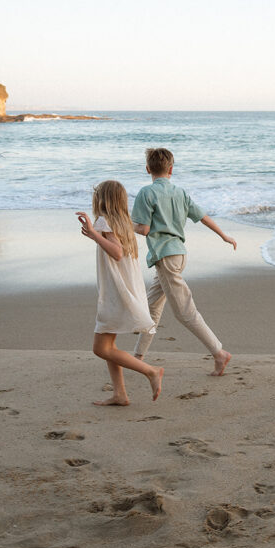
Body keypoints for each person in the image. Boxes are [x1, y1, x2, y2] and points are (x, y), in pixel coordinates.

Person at [131, 147, 235, 376]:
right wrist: (223, 235)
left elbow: (144, 228)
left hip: (166, 257)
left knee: (184, 312)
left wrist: (124, 225)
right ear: (171, 169)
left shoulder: (146, 193)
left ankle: (219, 352)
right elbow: (202, 216)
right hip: (176, 255)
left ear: (148, 169)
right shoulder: (180, 192)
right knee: (151, 308)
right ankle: (137, 358)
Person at [76, 180, 165, 405]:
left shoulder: (104, 221)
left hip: (115, 294)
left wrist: (94, 235)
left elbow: (116, 253)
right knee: (109, 347)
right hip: (122, 290)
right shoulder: (123, 222)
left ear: (103, 199)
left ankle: (150, 371)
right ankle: (120, 394)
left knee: (100, 348)